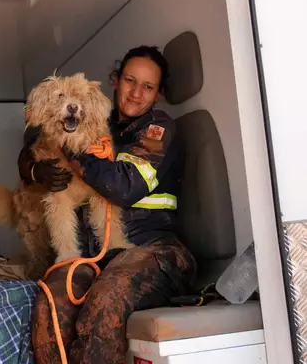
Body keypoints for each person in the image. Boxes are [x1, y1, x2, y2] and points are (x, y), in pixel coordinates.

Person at [17, 46, 197, 364]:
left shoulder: (159, 130)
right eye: (130, 80)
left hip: (157, 252)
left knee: (108, 294)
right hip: (103, 259)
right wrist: (36, 170)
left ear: (158, 95)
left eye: (148, 87)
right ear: (116, 81)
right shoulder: (96, 119)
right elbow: (33, 145)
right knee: (50, 301)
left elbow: (123, 187)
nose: (136, 93)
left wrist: (71, 148)